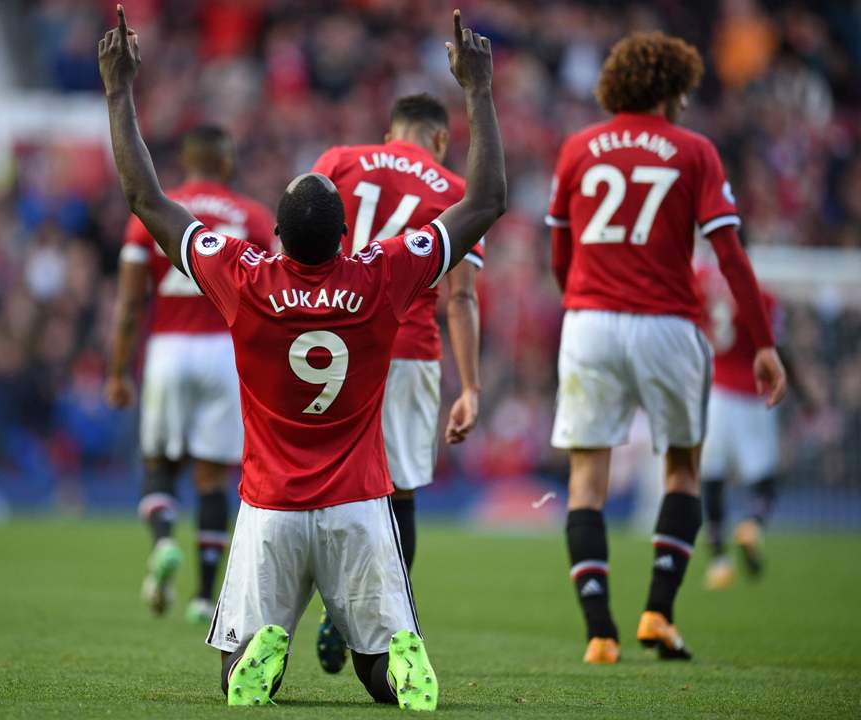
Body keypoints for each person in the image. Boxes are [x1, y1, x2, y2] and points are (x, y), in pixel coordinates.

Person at [99, 6, 505, 709]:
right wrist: (478, 89)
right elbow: (487, 200)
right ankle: (395, 655)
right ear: (345, 232)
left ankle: (265, 645)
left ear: (276, 234)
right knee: (379, 674)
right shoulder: (380, 276)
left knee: (237, 680)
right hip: (358, 507)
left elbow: (146, 196)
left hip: (271, 510)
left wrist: (117, 89)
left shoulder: (246, 278)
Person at [545, 31, 787, 664]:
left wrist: (582, 304)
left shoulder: (577, 148)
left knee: (585, 480)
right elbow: (730, 254)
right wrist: (763, 343)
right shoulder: (694, 151)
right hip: (666, 327)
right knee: (682, 469)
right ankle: (658, 612)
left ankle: (599, 631)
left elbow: (559, 255)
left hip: (589, 322)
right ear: (673, 89)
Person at [309, 92, 483, 674]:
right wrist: (472, 387)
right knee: (397, 492)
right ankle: (373, 625)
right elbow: (459, 297)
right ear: (439, 139)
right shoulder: (454, 190)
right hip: (407, 349)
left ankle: (313, 608)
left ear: (391, 133)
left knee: (320, 482)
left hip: (332, 346)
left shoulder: (340, 159)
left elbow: (300, 241)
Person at [104, 125, 275, 623]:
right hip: (224, 349)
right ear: (225, 164)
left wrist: (118, 371)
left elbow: (130, 303)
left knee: (158, 461)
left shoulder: (157, 213)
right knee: (212, 474)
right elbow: (269, 297)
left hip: (168, 349)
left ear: (184, 161)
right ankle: (204, 595)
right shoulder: (253, 217)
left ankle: (161, 544)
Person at [696, 261, 813, 589]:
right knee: (763, 479)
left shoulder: (703, 284)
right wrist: (804, 396)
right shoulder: (762, 297)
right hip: (752, 395)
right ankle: (752, 524)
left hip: (715, 393)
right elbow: (778, 351)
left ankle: (719, 561)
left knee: (712, 478)